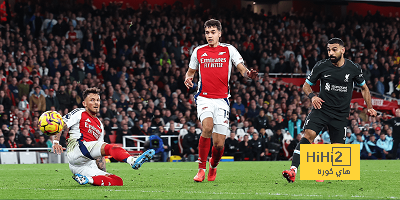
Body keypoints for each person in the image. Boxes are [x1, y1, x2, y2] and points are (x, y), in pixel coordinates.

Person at [282, 38, 377, 183]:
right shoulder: (321, 66)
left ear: (343, 50)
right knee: (309, 134)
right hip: (322, 109)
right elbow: (306, 86)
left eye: (334, 49)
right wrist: (313, 97)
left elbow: (364, 88)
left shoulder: (353, 68)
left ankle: (321, 171)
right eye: (328, 50)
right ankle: (293, 170)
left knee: (338, 150)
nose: (330, 53)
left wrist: (369, 107)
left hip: (340, 115)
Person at [184, 19, 258, 182]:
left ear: (219, 33)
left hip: (222, 100)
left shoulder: (229, 49)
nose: (209, 36)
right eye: (207, 33)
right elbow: (190, 72)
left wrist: (248, 74)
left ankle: (213, 166)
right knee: (207, 127)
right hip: (204, 98)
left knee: (218, 145)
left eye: (212, 32)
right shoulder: (198, 51)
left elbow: (241, 68)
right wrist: (188, 79)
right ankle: (201, 169)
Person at [52, 88, 155, 186]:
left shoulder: (100, 125)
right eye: (92, 100)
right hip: (77, 149)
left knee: (117, 181)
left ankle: (87, 179)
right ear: (84, 103)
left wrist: (102, 174)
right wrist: (56, 141)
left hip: (81, 166)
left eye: (98, 100)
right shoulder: (80, 112)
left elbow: (100, 154)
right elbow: (61, 123)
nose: (96, 103)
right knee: (110, 147)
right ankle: (132, 161)